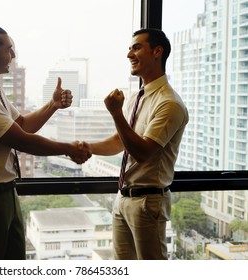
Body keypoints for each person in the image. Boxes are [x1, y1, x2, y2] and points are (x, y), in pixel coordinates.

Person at [0, 25, 90, 260]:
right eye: (8, 49)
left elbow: (24, 124)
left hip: (4, 192)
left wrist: (53, 105)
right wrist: (69, 149)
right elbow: (23, 140)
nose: (13, 55)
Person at [77, 28, 189, 259]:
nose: (129, 54)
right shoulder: (138, 97)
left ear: (157, 51)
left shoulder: (169, 103)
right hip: (123, 198)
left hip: (148, 202)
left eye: (136, 47)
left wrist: (116, 113)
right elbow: (122, 140)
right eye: (130, 48)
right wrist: (89, 147)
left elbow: (143, 152)